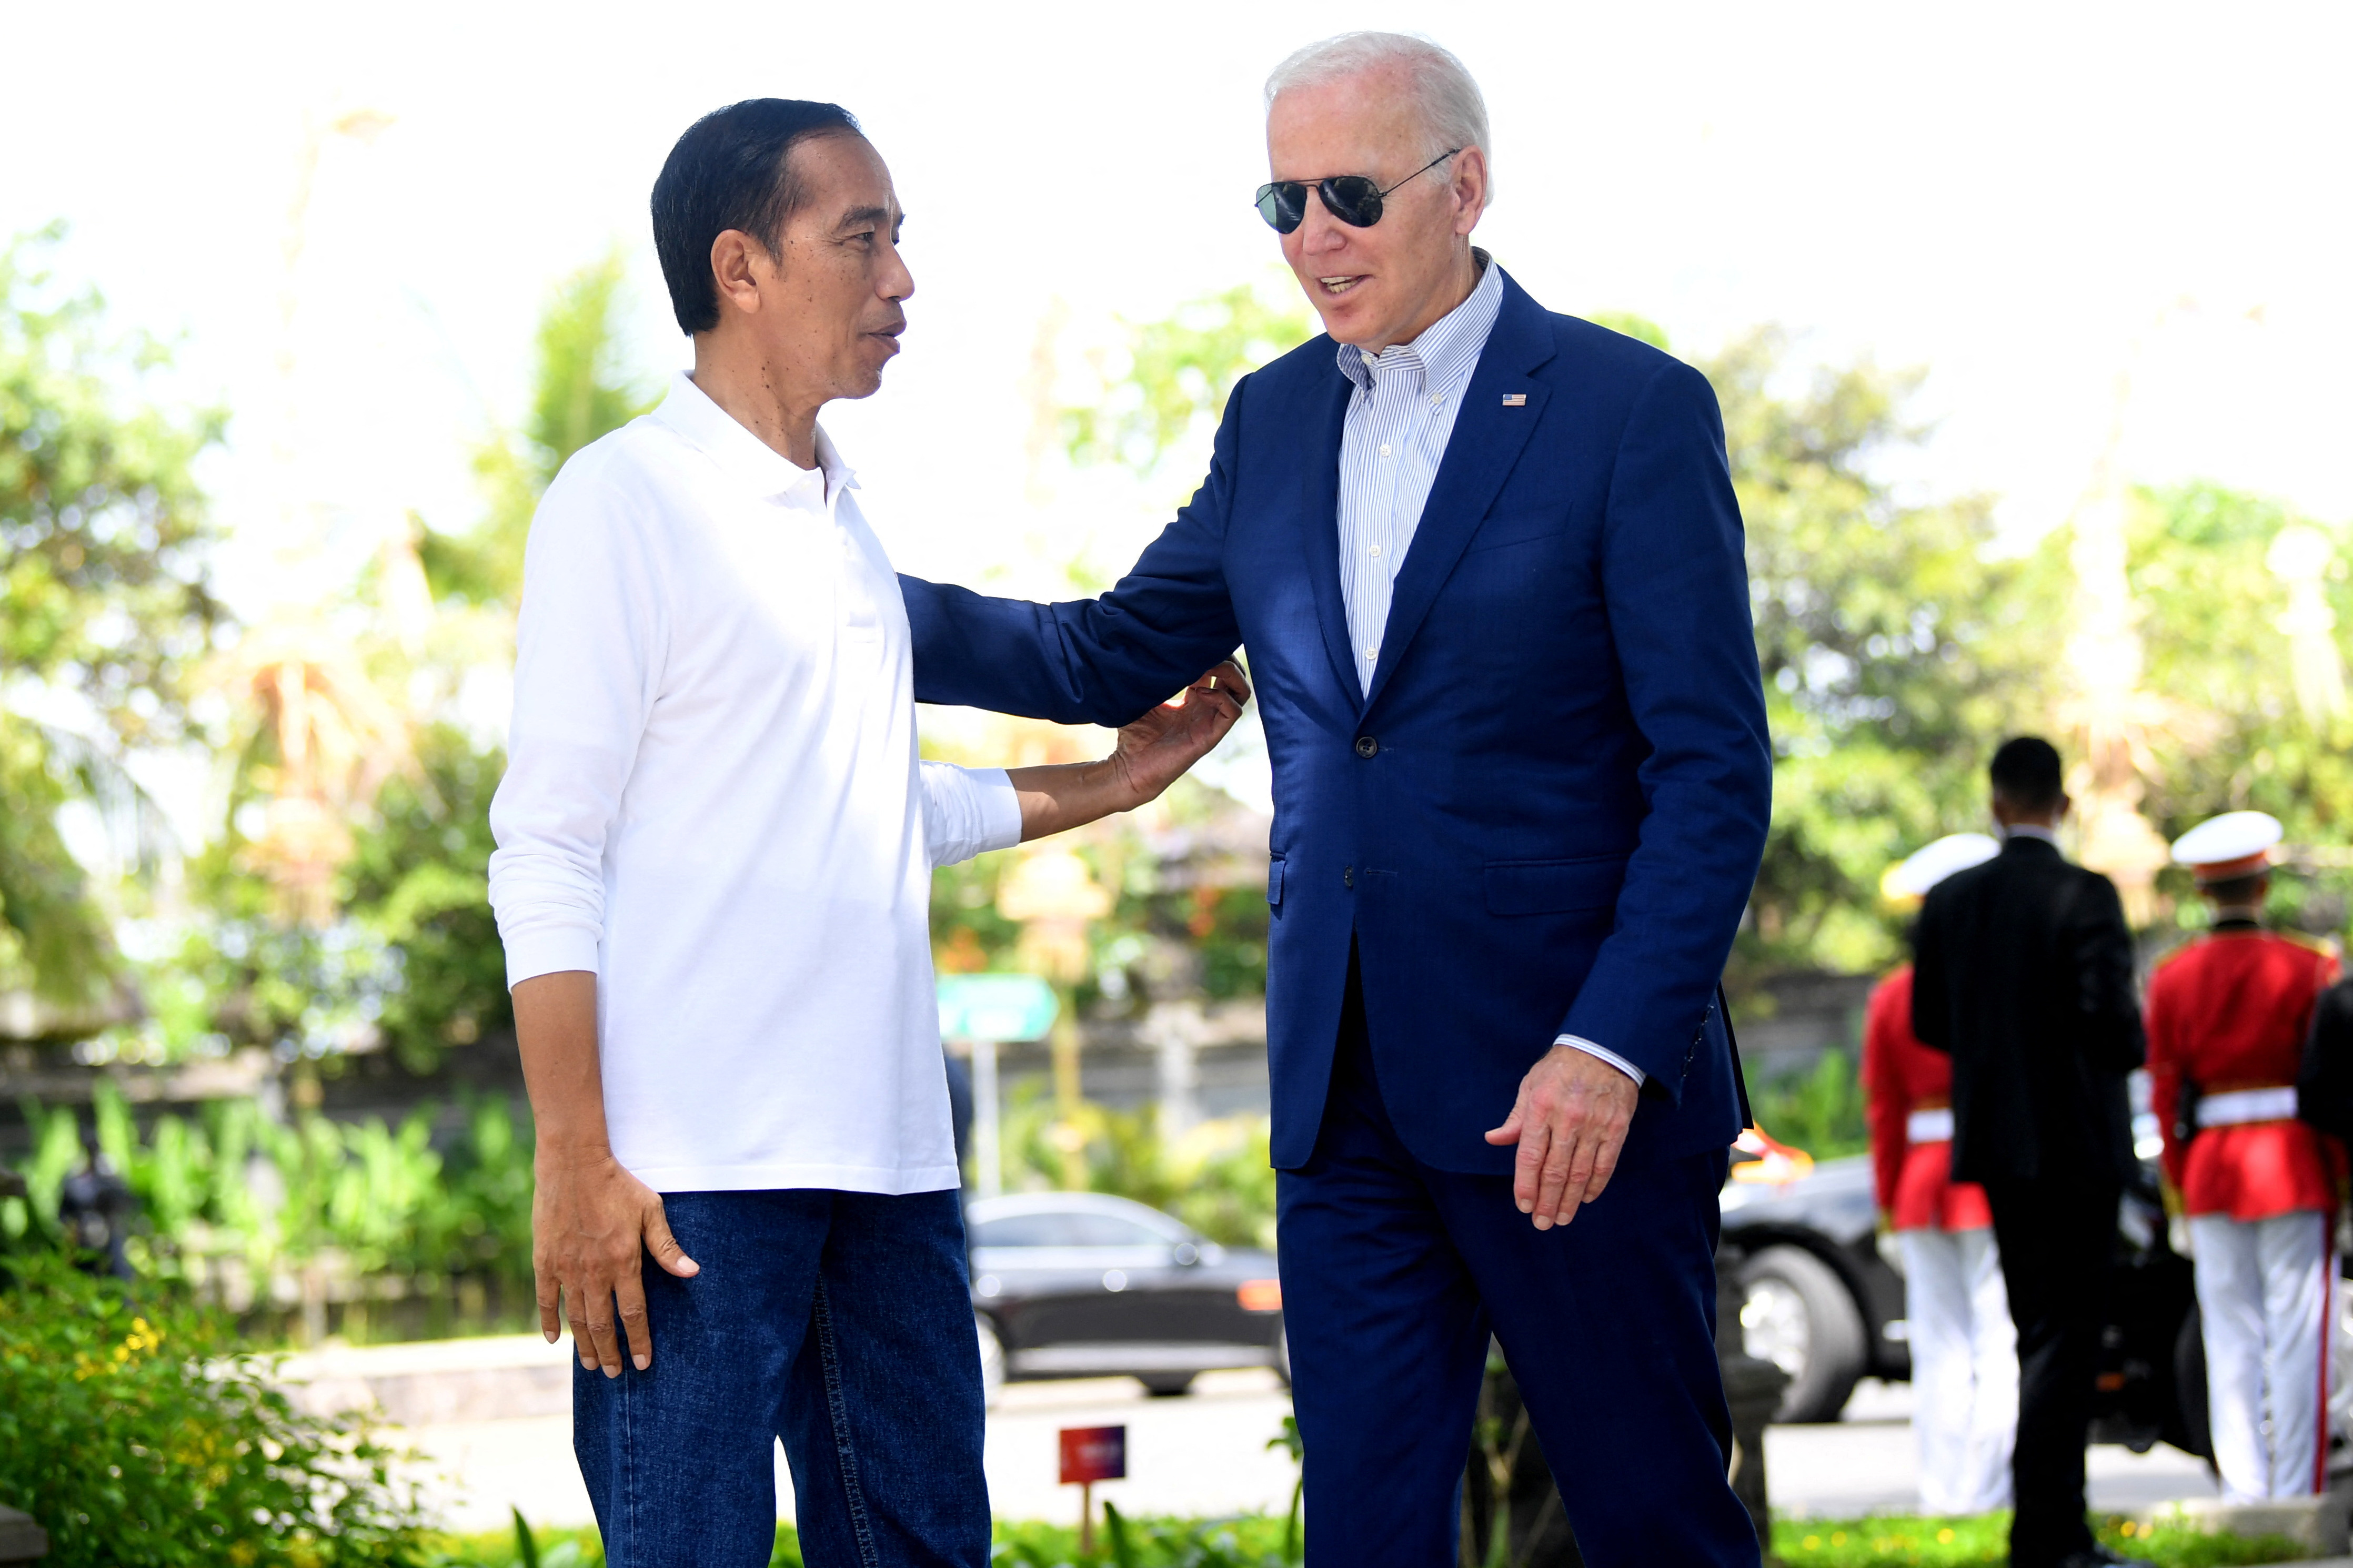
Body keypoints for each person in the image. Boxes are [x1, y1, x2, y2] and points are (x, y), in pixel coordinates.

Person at [897, 32, 1772, 1566]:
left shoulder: (1631, 412)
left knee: (1652, 1525)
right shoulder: (1273, 417)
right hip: (1343, 1096)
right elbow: (1105, 649)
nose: (1312, 237)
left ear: (1467, 186)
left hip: (1570, 1099)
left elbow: (1711, 769)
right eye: (1280, 201)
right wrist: (832, 592)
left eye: (1349, 195)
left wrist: (1611, 1043)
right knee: (1365, 1538)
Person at [485, 99, 1248, 1568]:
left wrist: (1116, 779)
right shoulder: (622, 503)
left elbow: (868, 807)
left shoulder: (839, 516)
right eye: (865, 238)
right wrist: (574, 1158)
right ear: (743, 267)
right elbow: (548, 848)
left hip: (892, 1161)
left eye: (900, 239)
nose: (902, 279)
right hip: (689, 1182)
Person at [1911, 736, 2149, 1568]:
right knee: (2067, 1343)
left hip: (2000, 1149)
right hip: (2077, 1148)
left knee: (2036, 1334)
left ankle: (2043, 1530)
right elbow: (2117, 1028)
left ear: (1995, 802)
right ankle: (2052, 1535)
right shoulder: (2084, 894)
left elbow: (1929, 1023)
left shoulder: (1950, 900)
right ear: (2064, 804)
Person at [2144, 811, 2340, 1502]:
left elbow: (2167, 1092)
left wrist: (2177, 1185)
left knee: (2230, 1338)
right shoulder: (2311, 966)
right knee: (2299, 1335)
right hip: (2293, 1161)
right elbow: (2331, 1077)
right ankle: (2295, 1491)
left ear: (2204, 893)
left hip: (2211, 1170)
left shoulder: (2171, 978)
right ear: (2263, 884)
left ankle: (2244, 1491)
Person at [1869, 833, 2016, 1515]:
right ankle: (1988, 1490)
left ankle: (1946, 1491)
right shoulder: (2002, 982)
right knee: (1997, 1336)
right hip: (1990, 1172)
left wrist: (1890, 1204)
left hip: (1923, 1181)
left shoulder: (1895, 994)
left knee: (1940, 1341)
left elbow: (1884, 1109)